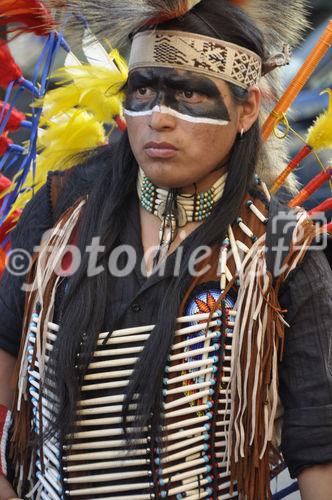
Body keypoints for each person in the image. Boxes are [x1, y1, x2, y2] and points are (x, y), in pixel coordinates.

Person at [0, 0, 331, 499]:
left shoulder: (284, 248)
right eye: (143, 91)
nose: (158, 117)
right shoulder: (57, 211)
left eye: (188, 94)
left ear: (246, 110)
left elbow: (318, 448)